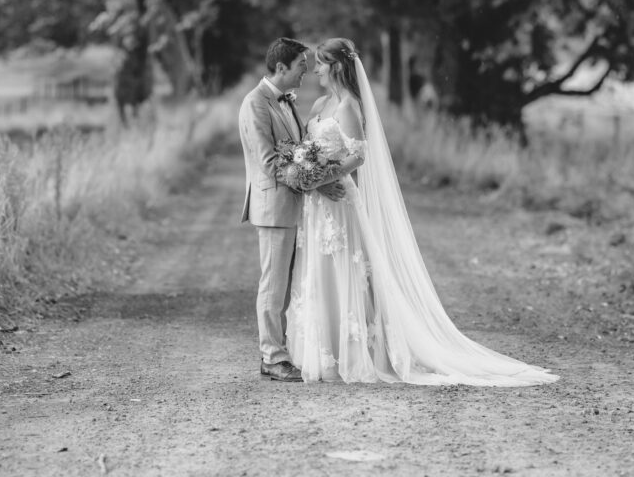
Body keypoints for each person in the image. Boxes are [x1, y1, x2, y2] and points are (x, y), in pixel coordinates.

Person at [285, 37, 559, 386]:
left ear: (336, 66)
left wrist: (325, 176)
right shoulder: (321, 103)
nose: (316, 70)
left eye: (321, 63)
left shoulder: (349, 107)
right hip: (316, 203)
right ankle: (324, 350)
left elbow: (358, 155)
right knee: (318, 271)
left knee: (344, 267)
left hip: (339, 200)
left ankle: (354, 353)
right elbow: (306, 148)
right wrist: (310, 178)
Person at [238, 38, 345, 382]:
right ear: (281, 67)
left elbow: (297, 152)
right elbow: (270, 163)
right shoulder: (255, 103)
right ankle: (272, 356)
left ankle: (280, 351)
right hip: (273, 207)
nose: (306, 72)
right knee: (273, 285)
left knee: (288, 286)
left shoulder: (285, 102)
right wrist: (317, 183)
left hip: (295, 205)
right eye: (301, 65)